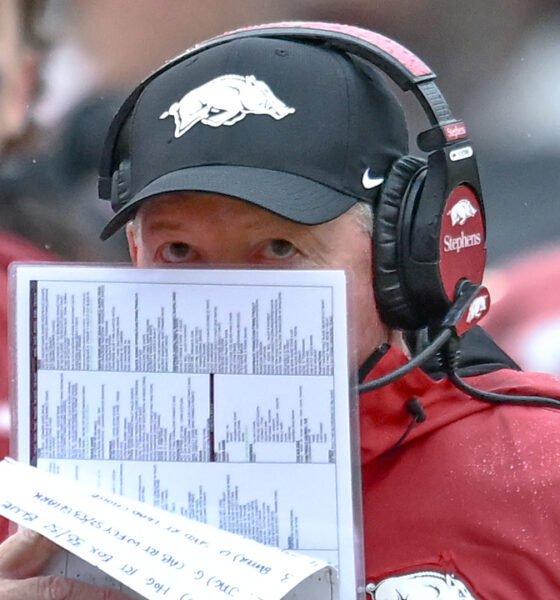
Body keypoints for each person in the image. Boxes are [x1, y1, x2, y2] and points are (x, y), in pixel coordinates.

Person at [1, 23, 560, 600]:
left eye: (278, 248)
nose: (225, 304)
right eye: (180, 251)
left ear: (402, 254)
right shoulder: (45, 508)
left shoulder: (540, 475)